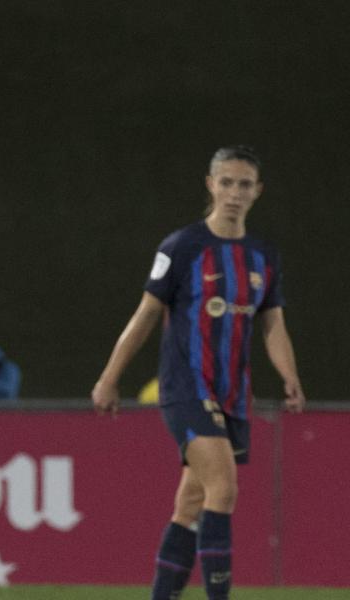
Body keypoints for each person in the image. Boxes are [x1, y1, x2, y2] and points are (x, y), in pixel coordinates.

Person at [91, 146, 305, 600]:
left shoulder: (263, 256)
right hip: (186, 386)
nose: (234, 193)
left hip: (232, 393)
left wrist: (289, 374)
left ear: (257, 192)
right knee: (223, 488)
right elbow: (145, 315)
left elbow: (272, 323)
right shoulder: (182, 246)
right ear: (210, 185)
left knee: (190, 504)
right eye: (225, 182)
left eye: (243, 184)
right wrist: (110, 377)